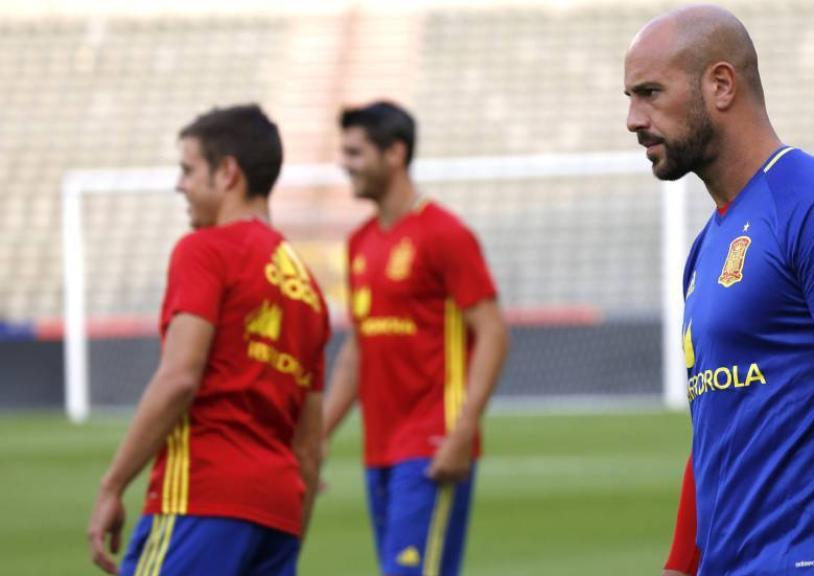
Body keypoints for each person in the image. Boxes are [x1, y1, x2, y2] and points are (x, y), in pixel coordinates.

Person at [624, 6, 814, 576]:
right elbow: (713, 432)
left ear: (721, 85)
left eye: (650, 93)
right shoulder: (706, 248)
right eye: (630, 97)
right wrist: (680, 566)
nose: (634, 118)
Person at [87, 104, 329, 576]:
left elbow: (180, 377)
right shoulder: (309, 291)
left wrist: (112, 485)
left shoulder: (206, 251)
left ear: (227, 173)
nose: (179, 185)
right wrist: (286, 541)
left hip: (200, 498)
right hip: (278, 517)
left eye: (187, 169)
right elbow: (309, 447)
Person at [321, 101, 509, 576]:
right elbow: (358, 351)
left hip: (431, 443)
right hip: (379, 448)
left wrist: (464, 429)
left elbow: (491, 330)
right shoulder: (359, 242)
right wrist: (315, 437)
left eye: (356, 152)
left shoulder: (444, 234)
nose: (345, 163)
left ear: (395, 153)